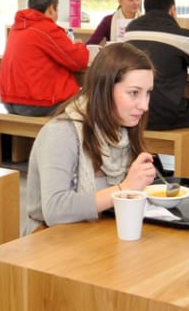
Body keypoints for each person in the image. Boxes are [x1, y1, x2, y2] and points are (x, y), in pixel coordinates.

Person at [25, 43, 158, 233]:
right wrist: (125, 188)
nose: (144, 105)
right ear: (105, 88)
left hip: (100, 232)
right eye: (134, 93)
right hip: (51, 241)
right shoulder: (61, 132)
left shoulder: (122, 131)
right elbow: (54, 209)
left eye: (148, 93)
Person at [124, 0, 189, 166]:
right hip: (163, 113)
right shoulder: (181, 35)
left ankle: (154, 168)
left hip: (132, 111)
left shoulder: (130, 30)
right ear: (172, 10)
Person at [0, 0, 89, 116]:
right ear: (51, 9)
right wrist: (79, 44)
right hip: (37, 103)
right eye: (57, 10)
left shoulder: (17, 27)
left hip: (10, 101)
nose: (57, 15)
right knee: (87, 102)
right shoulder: (46, 28)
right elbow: (79, 61)